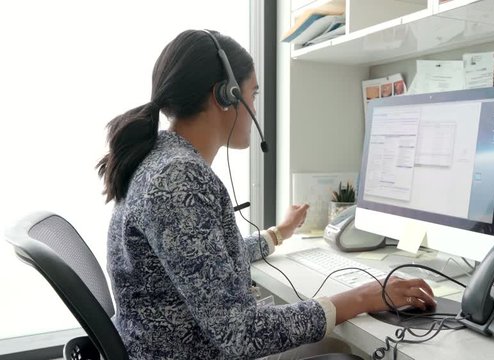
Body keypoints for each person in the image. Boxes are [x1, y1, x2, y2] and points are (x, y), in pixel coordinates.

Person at [97, 29, 436, 359]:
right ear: (226, 95)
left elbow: (203, 264)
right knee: (345, 351)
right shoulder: (178, 179)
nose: (255, 109)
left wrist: (277, 235)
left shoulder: (161, 160)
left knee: (334, 344)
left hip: (170, 347)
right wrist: (363, 298)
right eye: (253, 94)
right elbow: (240, 333)